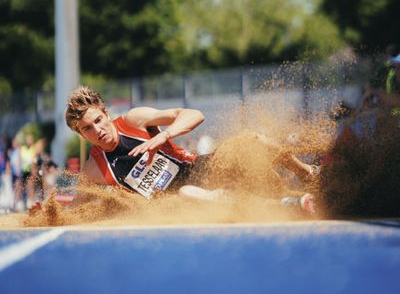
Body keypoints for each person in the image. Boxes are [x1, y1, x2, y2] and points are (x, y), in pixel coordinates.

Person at [31, 86, 318, 215]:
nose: (97, 130)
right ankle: (285, 207)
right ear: (81, 134)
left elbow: (194, 113)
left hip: (202, 167)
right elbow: (78, 204)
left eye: (97, 120)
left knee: (253, 139)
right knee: (186, 193)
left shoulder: (134, 119)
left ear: (105, 113)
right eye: (88, 129)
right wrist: (48, 212)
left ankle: (310, 174)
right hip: (182, 200)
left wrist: (162, 137)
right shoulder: (95, 167)